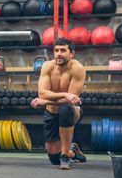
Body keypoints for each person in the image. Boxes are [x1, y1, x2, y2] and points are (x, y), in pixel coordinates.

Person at [31, 37, 87, 170]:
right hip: (51, 113)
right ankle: (72, 151)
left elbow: (70, 101)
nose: (58, 54)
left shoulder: (78, 68)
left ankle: (65, 156)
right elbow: (42, 93)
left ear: (72, 53)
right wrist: (64, 94)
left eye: (63, 50)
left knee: (65, 108)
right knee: (54, 159)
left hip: (72, 112)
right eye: (56, 50)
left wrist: (45, 101)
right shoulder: (47, 66)